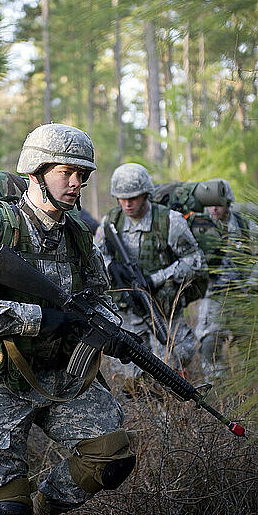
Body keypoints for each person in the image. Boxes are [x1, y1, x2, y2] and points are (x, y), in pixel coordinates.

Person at [0, 123, 136, 515]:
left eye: (82, 175)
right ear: (36, 171)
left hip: (59, 374)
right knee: (8, 508)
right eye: (66, 172)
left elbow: (99, 298)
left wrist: (106, 332)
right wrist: (38, 319)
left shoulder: (78, 237)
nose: (76, 183)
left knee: (113, 455)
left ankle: (45, 504)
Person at [95, 163, 207, 383]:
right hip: (127, 312)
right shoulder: (111, 222)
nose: (127, 203)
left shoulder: (169, 221)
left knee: (170, 366)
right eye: (122, 197)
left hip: (162, 311)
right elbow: (95, 258)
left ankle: (166, 414)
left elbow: (195, 261)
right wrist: (110, 266)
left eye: (134, 197)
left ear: (146, 194)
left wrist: (156, 279)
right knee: (129, 377)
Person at [195, 179, 258, 381]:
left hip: (243, 295)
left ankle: (249, 387)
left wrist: (251, 284)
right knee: (208, 344)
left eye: (218, 204)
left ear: (228, 203)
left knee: (250, 345)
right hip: (214, 295)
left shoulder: (245, 226)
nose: (214, 208)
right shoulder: (200, 227)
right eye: (210, 204)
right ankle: (216, 387)